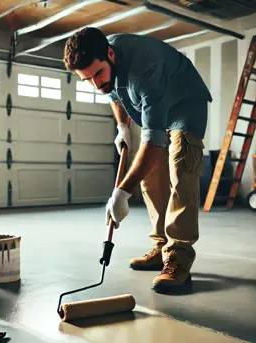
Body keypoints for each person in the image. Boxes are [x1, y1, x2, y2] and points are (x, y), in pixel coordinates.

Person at [63, 27, 212, 293]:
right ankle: (160, 246)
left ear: (110, 54)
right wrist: (122, 127)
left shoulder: (145, 68)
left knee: (181, 168)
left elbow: (153, 142)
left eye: (97, 73)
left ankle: (178, 257)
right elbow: (112, 92)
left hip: (184, 104)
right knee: (150, 176)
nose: (95, 84)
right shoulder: (102, 64)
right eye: (87, 80)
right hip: (154, 106)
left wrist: (121, 193)